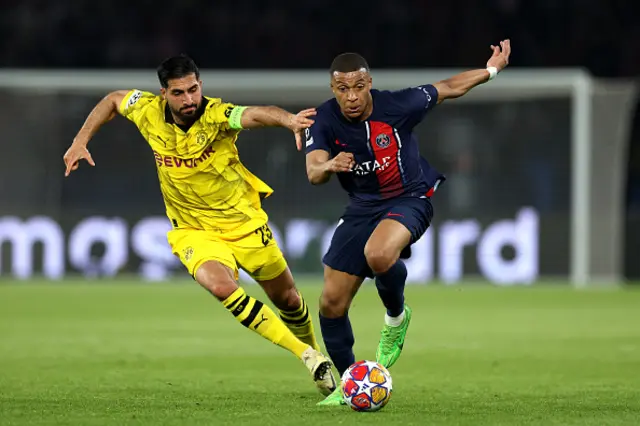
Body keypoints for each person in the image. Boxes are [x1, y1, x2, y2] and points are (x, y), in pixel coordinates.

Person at [63, 54, 337, 396]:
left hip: (244, 223)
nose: (189, 99)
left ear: (201, 86)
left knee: (289, 300)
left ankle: (321, 361)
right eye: (179, 93)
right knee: (222, 287)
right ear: (164, 93)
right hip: (193, 230)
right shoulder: (146, 110)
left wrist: (288, 120)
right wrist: (80, 140)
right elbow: (113, 100)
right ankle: (308, 356)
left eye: (193, 89)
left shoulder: (216, 115)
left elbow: (253, 114)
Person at [305, 41, 511, 406]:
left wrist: (491, 70)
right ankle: (350, 386)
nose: (351, 96)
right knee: (331, 303)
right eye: (342, 89)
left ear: (369, 83)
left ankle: (396, 319)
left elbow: (448, 88)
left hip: (409, 198)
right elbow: (313, 171)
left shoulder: (398, 105)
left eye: (358, 86)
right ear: (333, 89)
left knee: (379, 254)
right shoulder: (323, 119)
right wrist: (328, 165)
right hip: (361, 208)